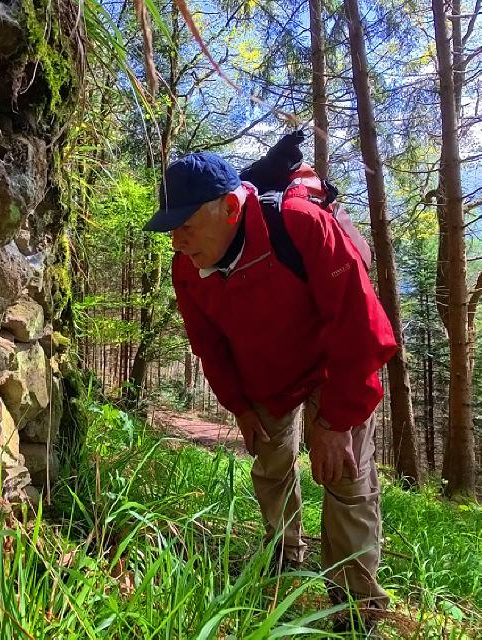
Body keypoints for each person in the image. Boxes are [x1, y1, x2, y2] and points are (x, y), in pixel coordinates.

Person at [144, 150, 397, 631]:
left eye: (186, 226)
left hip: (333, 368)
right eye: (172, 229)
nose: (176, 241)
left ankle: (355, 605)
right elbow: (209, 346)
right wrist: (239, 406)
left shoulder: (301, 226)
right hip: (265, 377)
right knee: (271, 463)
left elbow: (360, 330)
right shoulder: (188, 267)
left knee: (346, 476)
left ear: (230, 209)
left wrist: (335, 422)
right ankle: (282, 556)